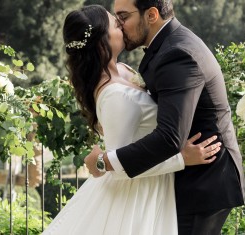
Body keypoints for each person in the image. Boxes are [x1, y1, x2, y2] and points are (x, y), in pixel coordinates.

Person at [43, 5, 221, 234]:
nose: (123, 26)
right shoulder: (113, 95)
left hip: (154, 184)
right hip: (137, 195)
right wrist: (181, 158)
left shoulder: (123, 70)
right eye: (116, 24)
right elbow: (118, 168)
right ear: (101, 42)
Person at [83, 0, 245, 234]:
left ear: (151, 15)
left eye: (123, 17)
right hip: (191, 177)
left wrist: (105, 162)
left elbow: (169, 137)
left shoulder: (176, 54)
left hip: (203, 180)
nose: (118, 25)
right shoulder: (167, 45)